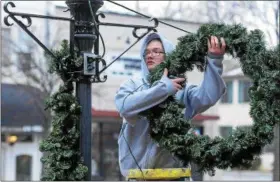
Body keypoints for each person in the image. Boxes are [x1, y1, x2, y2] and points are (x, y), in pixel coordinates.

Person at [115, 32, 226, 178]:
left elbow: (208, 96)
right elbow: (124, 106)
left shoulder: (181, 89)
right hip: (139, 176)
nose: (150, 55)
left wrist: (214, 60)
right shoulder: (133, 84)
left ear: (168, 55)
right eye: (146, 52)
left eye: (156, 51)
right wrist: (163, 89)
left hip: (176, 176)